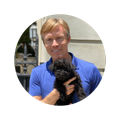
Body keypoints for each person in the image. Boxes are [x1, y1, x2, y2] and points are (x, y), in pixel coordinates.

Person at [28, 18, 102, 106]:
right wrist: (56, 94)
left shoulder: (90, 69)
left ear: (68, 39)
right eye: (49, 39)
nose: (54, 44)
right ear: (44, 43)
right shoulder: (37, 73)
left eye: (59, 38)